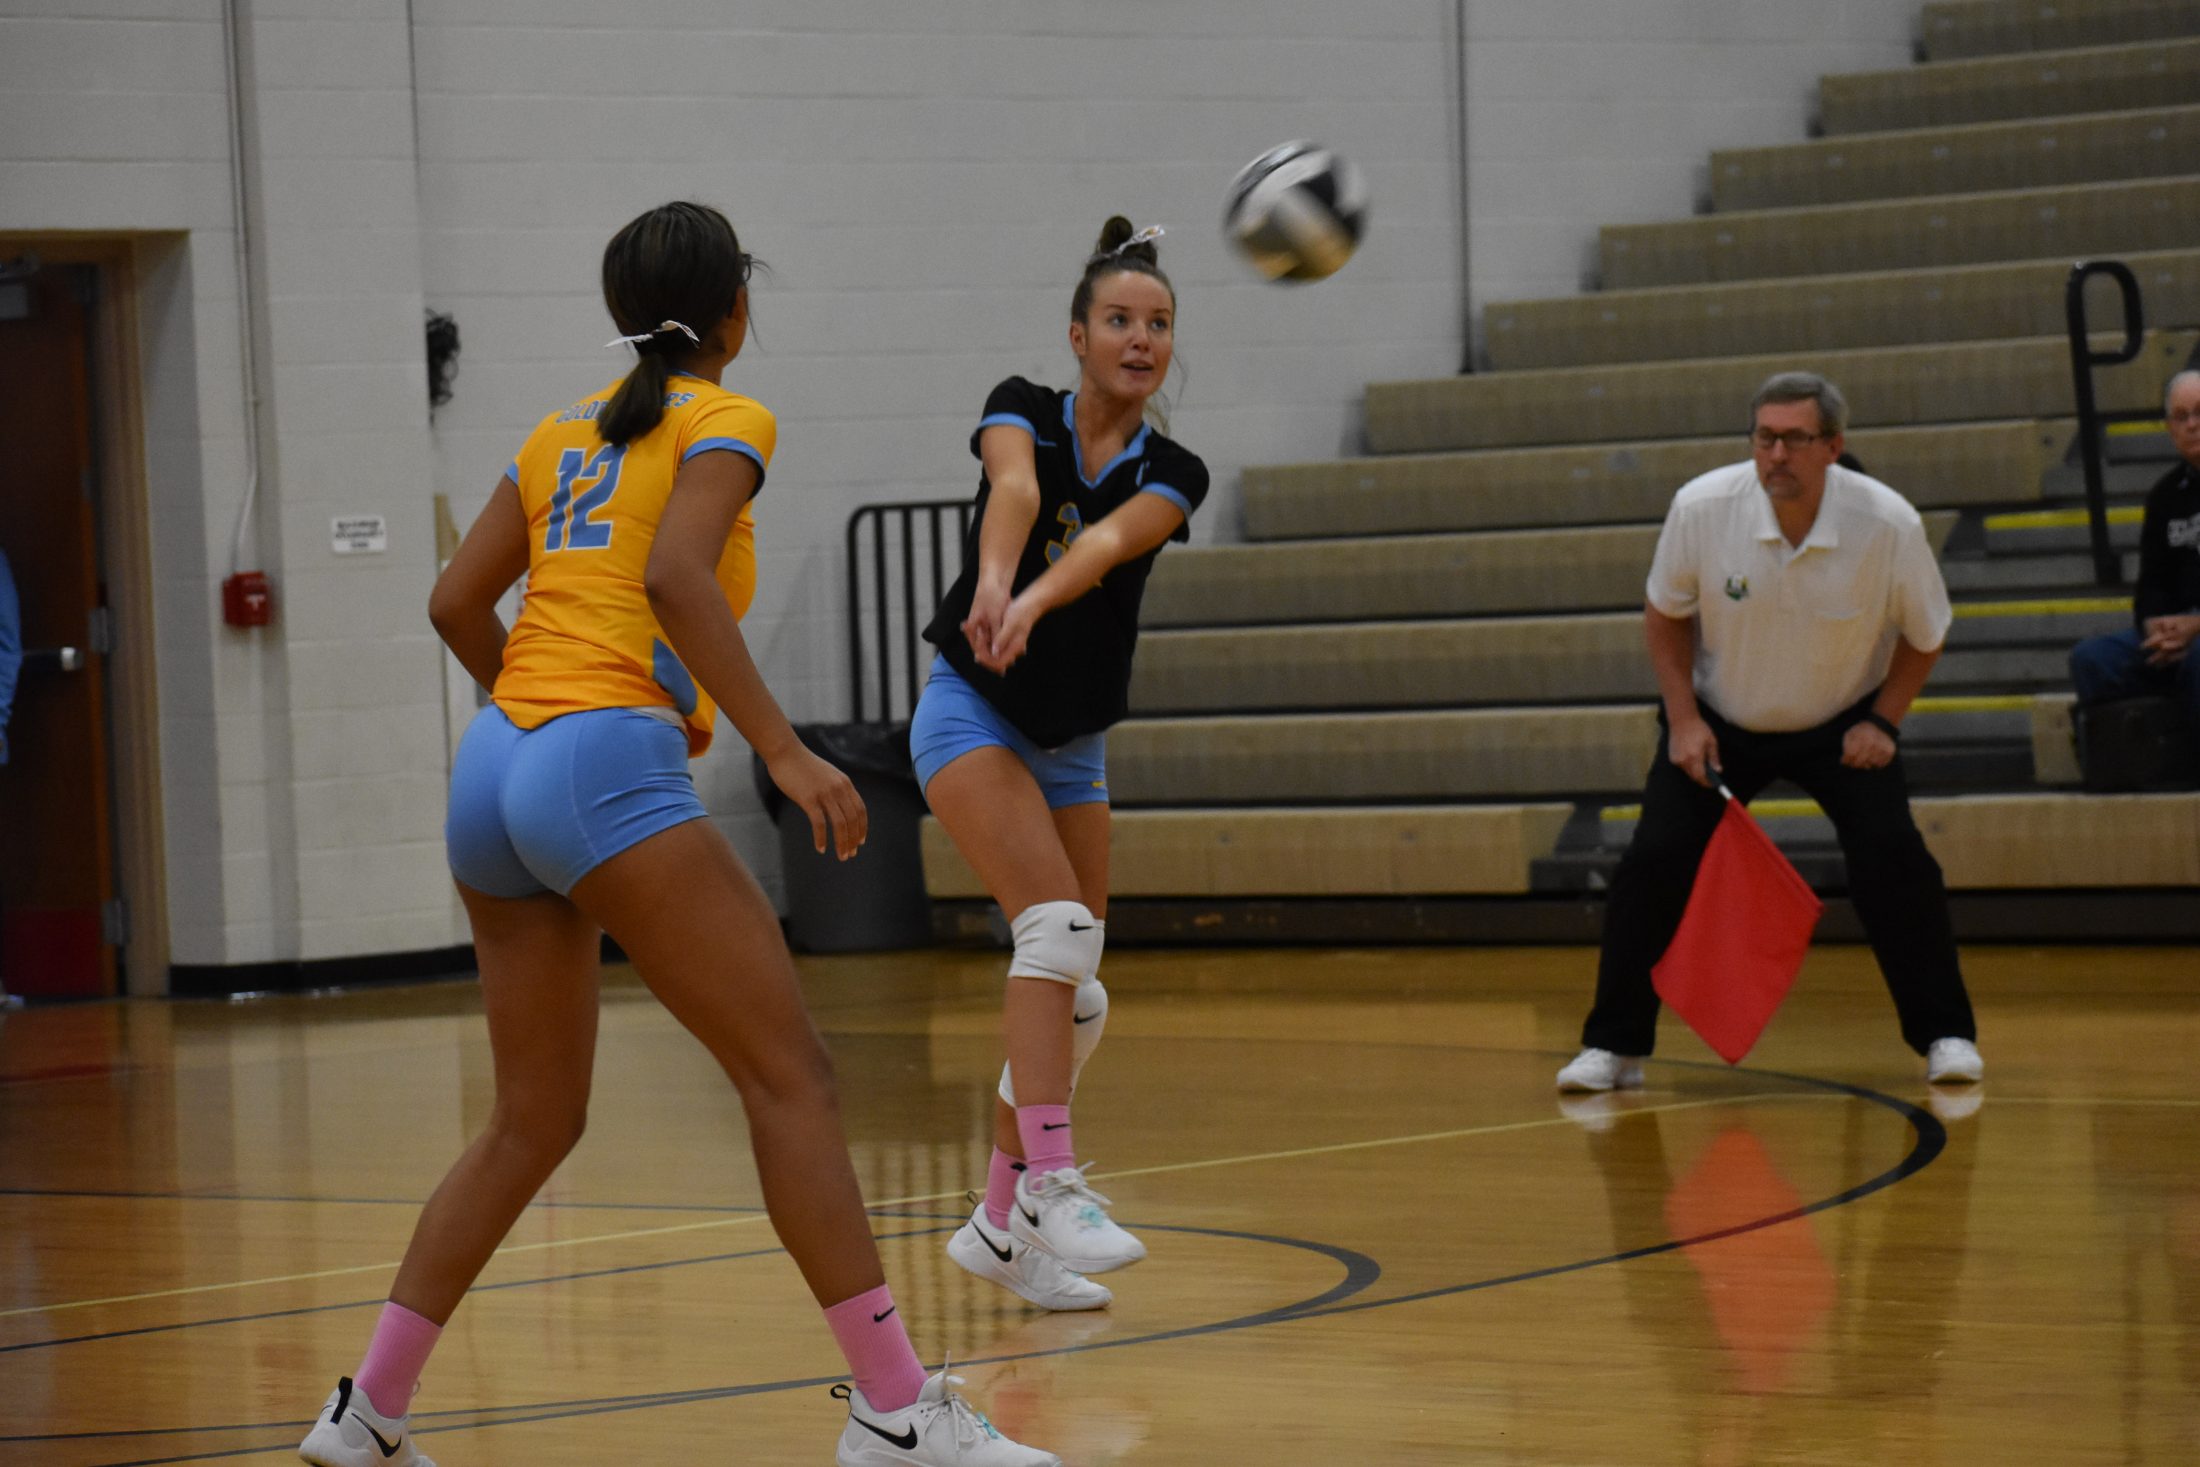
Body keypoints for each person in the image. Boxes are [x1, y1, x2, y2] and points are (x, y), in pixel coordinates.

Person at [298, 202, 1056, 1467]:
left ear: (618, 313)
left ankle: (366, 1412)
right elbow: (675, 578)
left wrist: (533, 728)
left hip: (493, 766)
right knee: (791, 1079)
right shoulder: (726, 418)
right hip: (597, 758)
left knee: (529, 1120)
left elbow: (451, 599)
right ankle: (896, 1413)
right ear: (735, 313)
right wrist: (778, 744)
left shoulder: (553, 433)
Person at [912, 218, 1208, 1312]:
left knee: (1076, 994)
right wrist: (994, 582)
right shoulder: (1021, 408)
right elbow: (1019, 496)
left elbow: (1103, 546)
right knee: (1057, 930)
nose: (1140, 340)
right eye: (1120, 321)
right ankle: (1051, 1180)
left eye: (1159, 325)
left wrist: (1032, 598)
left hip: (1072, 749)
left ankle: (999, 1225)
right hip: (969, 716)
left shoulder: (1174, 470)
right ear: (1077, 335)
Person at [1554, 371, 1983, 1093]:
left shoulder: (1888, 523)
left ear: (1833, 446)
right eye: (1765, 437)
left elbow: (1926, 632)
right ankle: (1613, 1046)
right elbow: (1665, 614)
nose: (1777, 453)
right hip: (1720, 717)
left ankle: (1946, 1034)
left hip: (1843, 719)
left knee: (1894, 861)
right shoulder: (1703, 507)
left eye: (1795, 438)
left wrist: (1884, 720)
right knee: (1653, 861)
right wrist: (1684, 721)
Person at [2067, 369, 2200, 766]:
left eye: (2199, 412)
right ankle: (2130, 767)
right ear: (2169, 427)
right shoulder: (2163, 496)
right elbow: (2151, 585)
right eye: (2181, 416)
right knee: (2092, 658)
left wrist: (2196, 627)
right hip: (2177, 636)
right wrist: (2157, 628)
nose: (2192, 425)